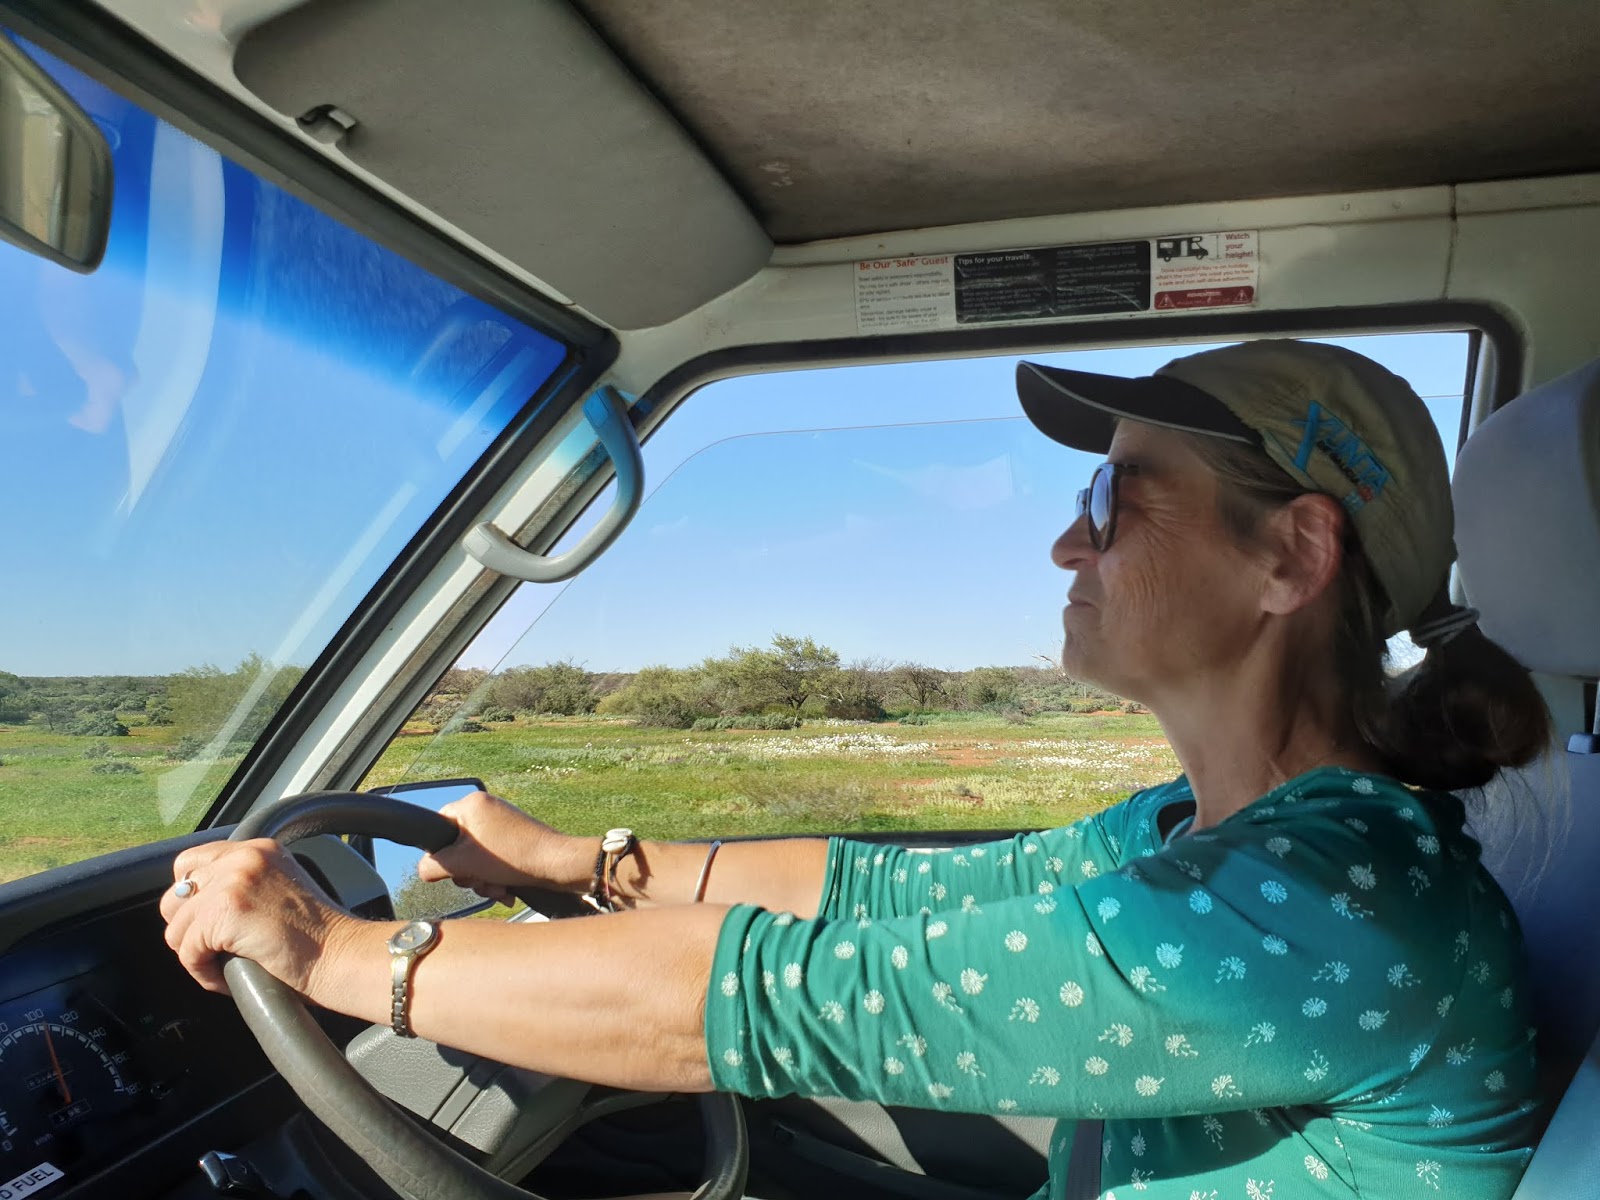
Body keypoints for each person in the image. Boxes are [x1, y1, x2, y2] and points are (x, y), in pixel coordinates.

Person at [161, 339, 1553, 1199]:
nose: (1069, 543)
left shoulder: (1328, 907)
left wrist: (335, 953)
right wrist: (579, 862)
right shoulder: (1207, 834)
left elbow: (791, 997)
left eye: (1113, 495)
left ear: (1291, 556)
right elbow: (888, 895)